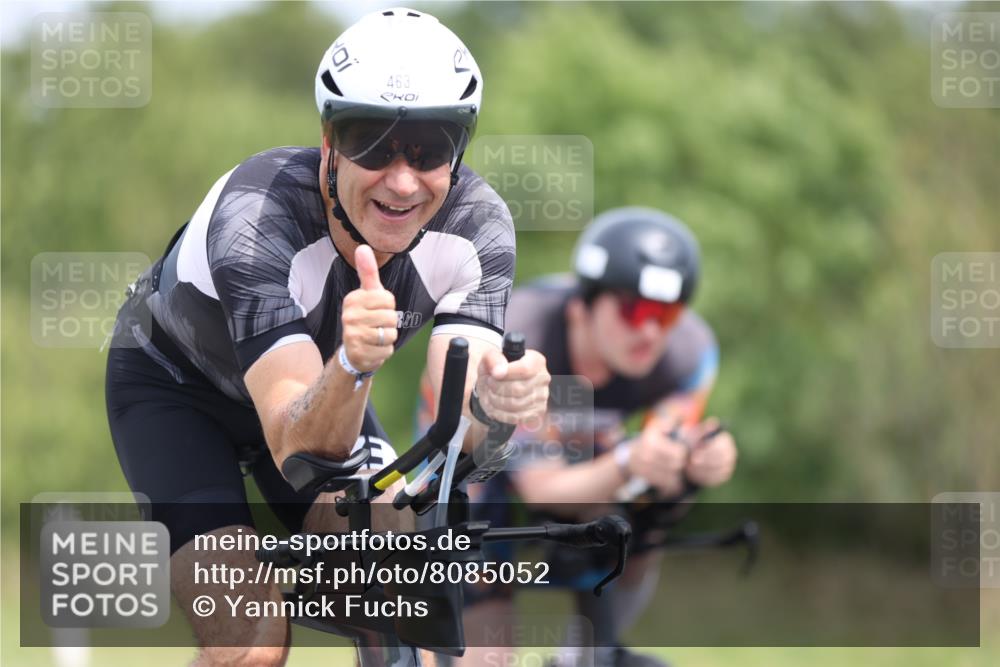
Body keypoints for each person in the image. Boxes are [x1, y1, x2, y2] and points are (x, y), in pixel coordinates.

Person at [104, 8, 550, 666]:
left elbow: (457, 423)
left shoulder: (480, 225)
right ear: (329, 141)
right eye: (373, 142)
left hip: (324, 384)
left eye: (430, 148)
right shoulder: (256, 216)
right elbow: (297, 443)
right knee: (250, 640)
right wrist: (349, 362)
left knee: (403, 578)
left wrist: (498, 405)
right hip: (177, 393)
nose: (401, 180)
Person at [415, 207, 738, 667]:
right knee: (485, 644)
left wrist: (697, 460)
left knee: (659, 499)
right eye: (634, 309)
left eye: (666, 316)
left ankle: (586, 652)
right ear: (581, 305)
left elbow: (658, 459)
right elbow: (541, 486)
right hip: (476, 455)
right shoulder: (526, 340)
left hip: (573, 453)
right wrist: (628, 460)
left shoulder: (690, 353)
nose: (649, 331)